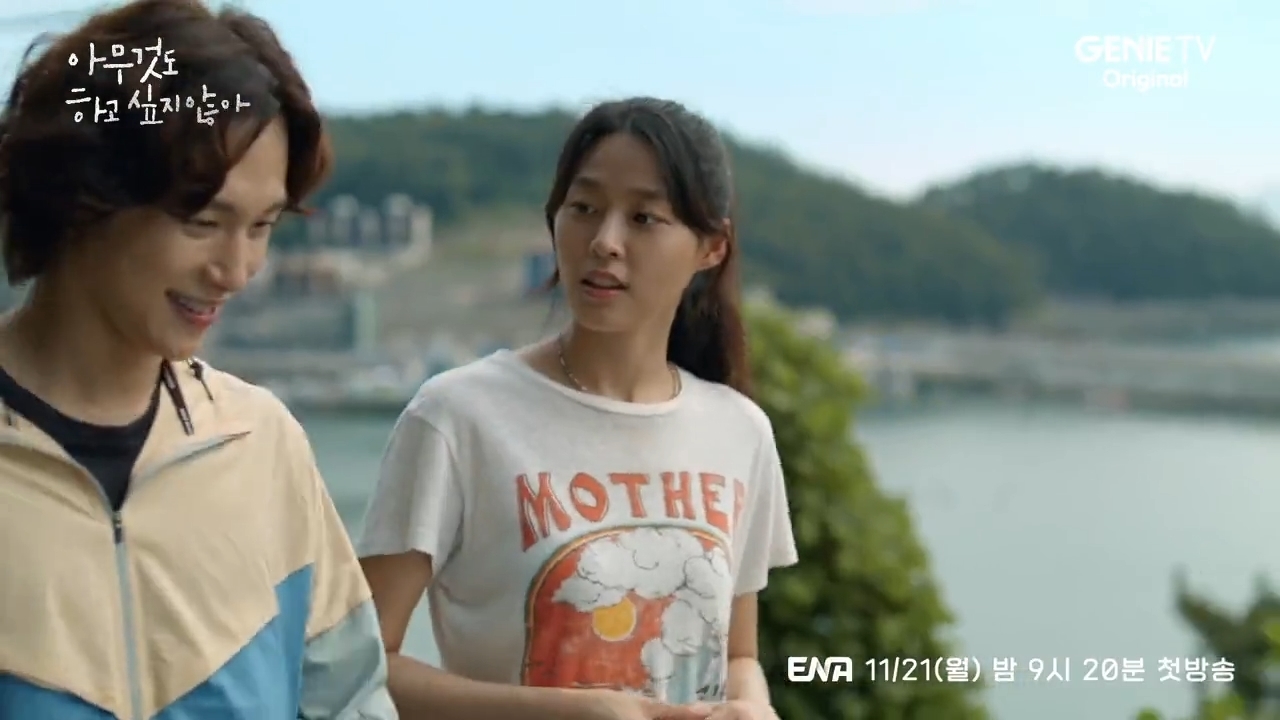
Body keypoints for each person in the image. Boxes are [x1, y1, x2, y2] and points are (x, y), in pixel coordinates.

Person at [0, 1, 396, 718]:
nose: (236, 270)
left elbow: (349, 700)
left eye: (262, 226)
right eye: (204, 221)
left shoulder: (262, 446)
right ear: (82, 195)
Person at [358, 97, 798, 720]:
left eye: (644, 218)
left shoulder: (739, 430)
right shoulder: (457, 417)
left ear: (711, 247)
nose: (604, 242)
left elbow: (737, 656)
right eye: (584, 208)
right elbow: (359, 663)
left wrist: (753, 708)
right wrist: (562, 713)